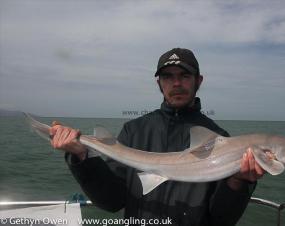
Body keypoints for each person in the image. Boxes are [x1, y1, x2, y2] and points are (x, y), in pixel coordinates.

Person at [50, 48, 265, 226]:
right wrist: (82, 157)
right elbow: (111, 201)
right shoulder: (134, 131)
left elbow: (221, 219)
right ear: (159, 83)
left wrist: (238, 183)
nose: (176, 83)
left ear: (198, 81)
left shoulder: (220, 141)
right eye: (167, 76)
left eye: (184, 75)